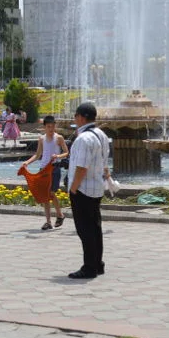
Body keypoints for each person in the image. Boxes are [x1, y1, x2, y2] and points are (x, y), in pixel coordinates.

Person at [66, 102, 112, 279]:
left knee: (85, 230)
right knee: (95, 227)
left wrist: (74, 188)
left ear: (82, 117)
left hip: (83, 189)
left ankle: (89, 267)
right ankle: (98, 263)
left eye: (76, 116)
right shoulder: (101, 134)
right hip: (96, 188)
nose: (74, 119)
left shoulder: (84, 138)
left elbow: (81, 167)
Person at [18, 115, 67, 230]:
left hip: (54, 169)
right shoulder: (42, 139)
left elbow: (66, 152)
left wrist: (58, 156)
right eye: (48, 127)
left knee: (50, 192)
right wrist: (27, 162)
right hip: (43, 169)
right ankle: (48, 222)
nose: (51, 129)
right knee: (46, 195)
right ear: (44, 127)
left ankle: (59, 214)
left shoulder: (59, 138)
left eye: (53, 126)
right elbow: (37, 154)